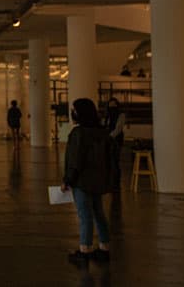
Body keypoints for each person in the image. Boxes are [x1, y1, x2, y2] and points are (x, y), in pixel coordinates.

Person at [62, 98, 117, 264]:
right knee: (99, 213)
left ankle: (84, 250)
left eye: (75, 110)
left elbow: (75, 161)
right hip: (98, 181)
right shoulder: (103, 132)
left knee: (84, 215)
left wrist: (68, 180)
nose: (73, 113)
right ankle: (104, 248)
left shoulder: (78, 134)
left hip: (82, 181)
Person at [105, 97, 126, 190]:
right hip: (108, 140)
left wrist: (110, 136)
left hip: (116, 140)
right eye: (110, 105)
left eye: (114, 105)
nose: (112, 107)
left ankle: (116, 183)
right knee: (109, 161)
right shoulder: (107, 116)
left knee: (115, 161)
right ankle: (110, 181)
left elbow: (118, 128)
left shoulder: (121, 115)